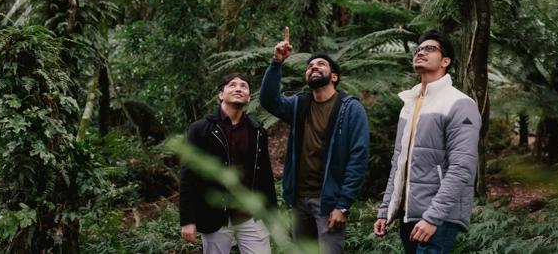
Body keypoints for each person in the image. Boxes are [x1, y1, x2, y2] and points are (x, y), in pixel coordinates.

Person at [259, 26, 370, 254]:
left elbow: (358, 158)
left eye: (321, 64)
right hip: (299, 200)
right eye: (309, 66)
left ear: (334, 76)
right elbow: (269, 101)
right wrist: (276, 63)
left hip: (328, 201)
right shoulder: (300, 104)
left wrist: (343, 204)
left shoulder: (350, 109)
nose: (313, 68)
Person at [374, 30, 481, 254]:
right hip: (408, 214)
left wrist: (433, 217)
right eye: (418, 49)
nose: (420, 52)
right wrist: (386, 210)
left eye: (429, 49)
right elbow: (398, 163)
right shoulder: (410, 103)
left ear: (445, 61)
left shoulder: (459, 103)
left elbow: (463, 167)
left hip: (437, 218)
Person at [179, 73, 277, 254]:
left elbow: (264, 175)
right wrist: (187, 219)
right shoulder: (200, 129)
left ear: (249, 96)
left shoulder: (257, 131)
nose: (239, 88)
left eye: (244, 86)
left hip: (251, 215)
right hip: (214, 215)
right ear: (221, 94)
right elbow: (188, 175)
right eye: (232, 85)